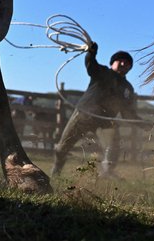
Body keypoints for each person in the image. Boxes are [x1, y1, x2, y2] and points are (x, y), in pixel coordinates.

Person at [52, 42, 145, 177]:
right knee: (63, 146)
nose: (124, 64)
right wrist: (91, 52)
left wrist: (140, 122)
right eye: (121, 61)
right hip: (84, 114)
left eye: (127, 63)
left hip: (105, 121)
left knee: (113, 147)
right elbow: (91, 64)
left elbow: (127, 112)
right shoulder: (101, 72)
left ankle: (107, 173)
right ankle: (56, 170)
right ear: (113, 62)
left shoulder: (127, 88)